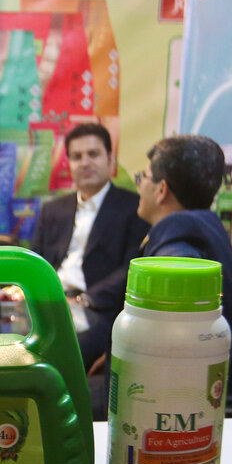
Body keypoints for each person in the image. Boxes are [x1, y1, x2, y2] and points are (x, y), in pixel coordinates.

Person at [133, 135, 232, 396]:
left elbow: (167, 357)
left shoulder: (175, 261)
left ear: (161, 190)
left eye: (143, 177)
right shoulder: (205, 232)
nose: (139, 185)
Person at [31, 122, 150, 375]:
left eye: (93, 154)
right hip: (50, 303)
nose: (85, 163)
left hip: (96, 309)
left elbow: (131, 268)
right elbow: (35, 261)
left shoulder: (135, 209)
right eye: (77, 157)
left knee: (57, 354)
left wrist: (84, 299)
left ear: (110, 158)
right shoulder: (53, 210)